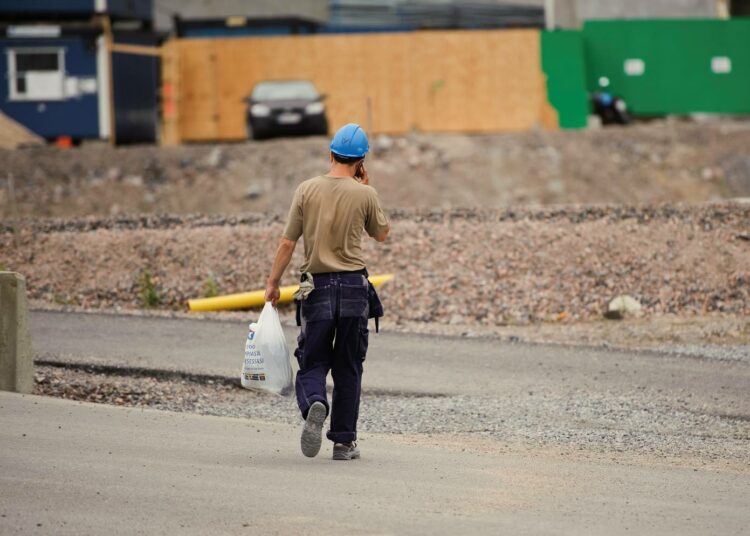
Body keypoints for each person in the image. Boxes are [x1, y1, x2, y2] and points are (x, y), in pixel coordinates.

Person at [264, 123, 390, 461]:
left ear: (330, 153)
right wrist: (365, 187)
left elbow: (288, 241)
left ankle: (315, 403)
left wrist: (273, 283)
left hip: (316, 288)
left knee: (312, 360)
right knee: (349, 366)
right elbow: (381, 234)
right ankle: (344, 442)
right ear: (360, 160)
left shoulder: (306, 189)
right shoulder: (366, 193)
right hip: (353, 288)